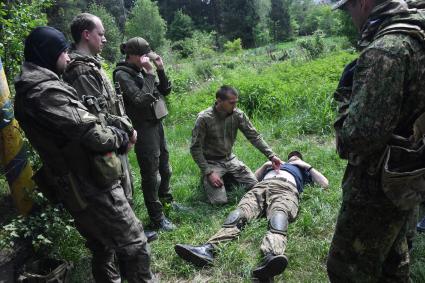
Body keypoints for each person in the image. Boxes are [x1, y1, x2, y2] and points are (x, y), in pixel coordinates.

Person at [14, 26, 155, 283]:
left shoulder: (38, 86)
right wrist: (122, 136)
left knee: (102, 245)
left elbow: (90, 117)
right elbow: (94, 135)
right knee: (134, 244)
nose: (67, 58)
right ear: (48, 54)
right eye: (62, 52)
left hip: (79, 180)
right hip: (90, 183)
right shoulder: (45, 92)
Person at [327, 0, 425, 282]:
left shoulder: (387, 50)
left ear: (364, 3)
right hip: (409, 170)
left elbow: (358, 138)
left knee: (346, 269)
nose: (350, 17)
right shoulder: (417, 31)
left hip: (377, 183)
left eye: (349, 9)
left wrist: (345, 100)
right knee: (394, 262)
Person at [174, 151, 328, 281]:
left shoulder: (303, 170)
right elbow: (251, 178)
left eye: (297, 156)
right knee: (238, 214)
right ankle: (208, 249)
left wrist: (306, 166)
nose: (293, 157)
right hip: (259, 187)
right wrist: (266, 166)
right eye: (291, 156)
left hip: (285, 188)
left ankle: (271, 257)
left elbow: (325, 184)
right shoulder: (274, 165)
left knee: (278, 217)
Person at [62, 13, 135, 207]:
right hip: (104, 144)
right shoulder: (81, 70)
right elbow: (97, 116)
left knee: (124, 187)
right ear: (86, 34)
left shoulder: (92, 64)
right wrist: (127, 131)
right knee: (115, 196)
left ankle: (132, 232)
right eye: (101, 34)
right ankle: (126, 236)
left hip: (114, 138)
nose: (105, 39)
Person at [112, 37, 176, 231]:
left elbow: (165, 90)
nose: (145, 58)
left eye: (147, 54)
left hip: (156, 123)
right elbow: (140, 100)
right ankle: (156, 217)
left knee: (165, 167)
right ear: (131, 55)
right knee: (151, 174)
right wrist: (149, 74)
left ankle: (167, 201)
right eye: (142, 55)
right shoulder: (122, 75)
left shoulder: (142, 70)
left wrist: (160, 69)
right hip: (142, 128)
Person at [190, 85, 282, 204]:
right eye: (231, 103)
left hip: (230, 159)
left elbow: (254, 136)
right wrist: (209, 172)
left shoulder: (238, 115)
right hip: (211, 162)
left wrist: (271, 156)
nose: (235, 106)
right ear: (219, 101)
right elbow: (195, 148)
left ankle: (227, 177)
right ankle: (210, 178)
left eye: (236, 102)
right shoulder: (204, 118)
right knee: (220, 201)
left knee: (255, 186)